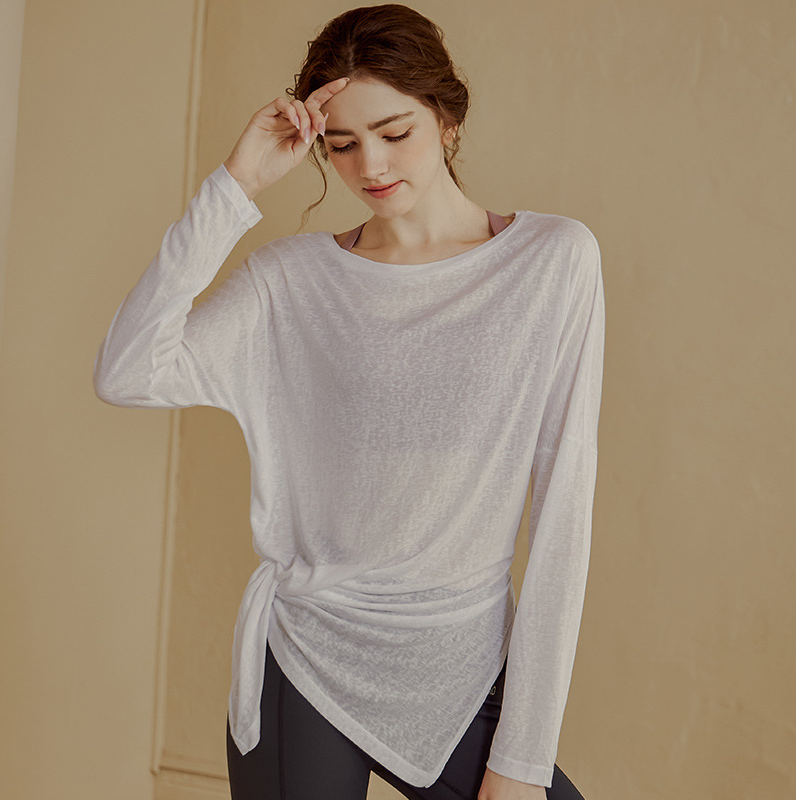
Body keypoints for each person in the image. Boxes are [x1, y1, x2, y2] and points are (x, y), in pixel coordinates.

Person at [94, 4, 604, 799]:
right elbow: (127, 371)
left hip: (461, 665)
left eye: (395, 132)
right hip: (307, 656)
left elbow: (563, 516)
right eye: (341, 144)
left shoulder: (551, 261)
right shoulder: (291, 282)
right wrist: (235, 186)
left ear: (448, 119)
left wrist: (523, 757)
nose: (371, 164)